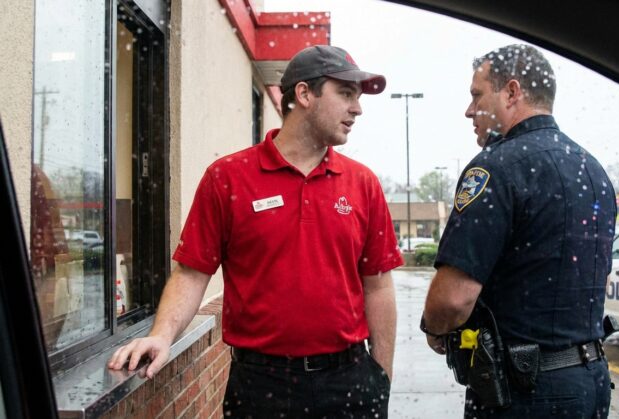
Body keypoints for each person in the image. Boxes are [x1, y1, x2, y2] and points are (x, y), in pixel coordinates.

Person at [108, 45, 403, 418]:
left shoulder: (363, 183)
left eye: (357, 98)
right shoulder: (228, 178)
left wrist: (381, 378)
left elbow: (378, 286)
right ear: (304, 94)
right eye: (345, 94)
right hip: (261, 386)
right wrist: (161, 336)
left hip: (348, 380)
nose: (357, 109)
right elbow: (191, 273)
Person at [421, 44, 617, 418]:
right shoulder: (593, 170)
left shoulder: (496, 169)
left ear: (512, 92)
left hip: (525, 390)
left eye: (477, 95)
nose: (468, 110)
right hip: (590, 381)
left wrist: (435, 327)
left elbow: (452, 300)